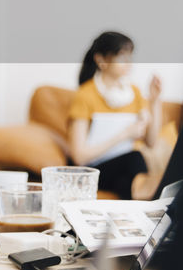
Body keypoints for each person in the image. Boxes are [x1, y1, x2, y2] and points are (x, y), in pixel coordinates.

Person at [67, 31, 166, 200]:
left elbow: (151, 142)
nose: (128, 63)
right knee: (135, 157)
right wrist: (125, 134)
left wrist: (155, 101)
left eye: (130, 57)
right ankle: (153, 195)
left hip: (121, 169)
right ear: (101, 60)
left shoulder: (134, 92)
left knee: (126, 182)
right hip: (91, 170)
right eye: (121, 57)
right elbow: (79, 156)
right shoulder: (85, 95)